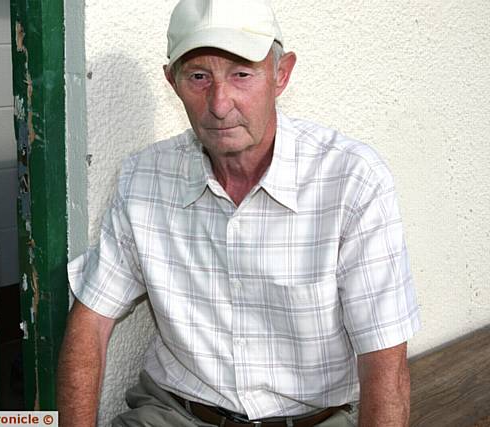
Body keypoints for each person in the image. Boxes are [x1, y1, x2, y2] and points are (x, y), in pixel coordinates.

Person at [58, 0, 420, 425]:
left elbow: (385, 364)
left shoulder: (351, 179)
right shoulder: (145, 177)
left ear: (281, 74)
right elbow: (91, 322)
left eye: (241, 74)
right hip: (176, 414)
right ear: (172, 82)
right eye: (198, 77)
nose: (219, 102)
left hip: (312, 419)